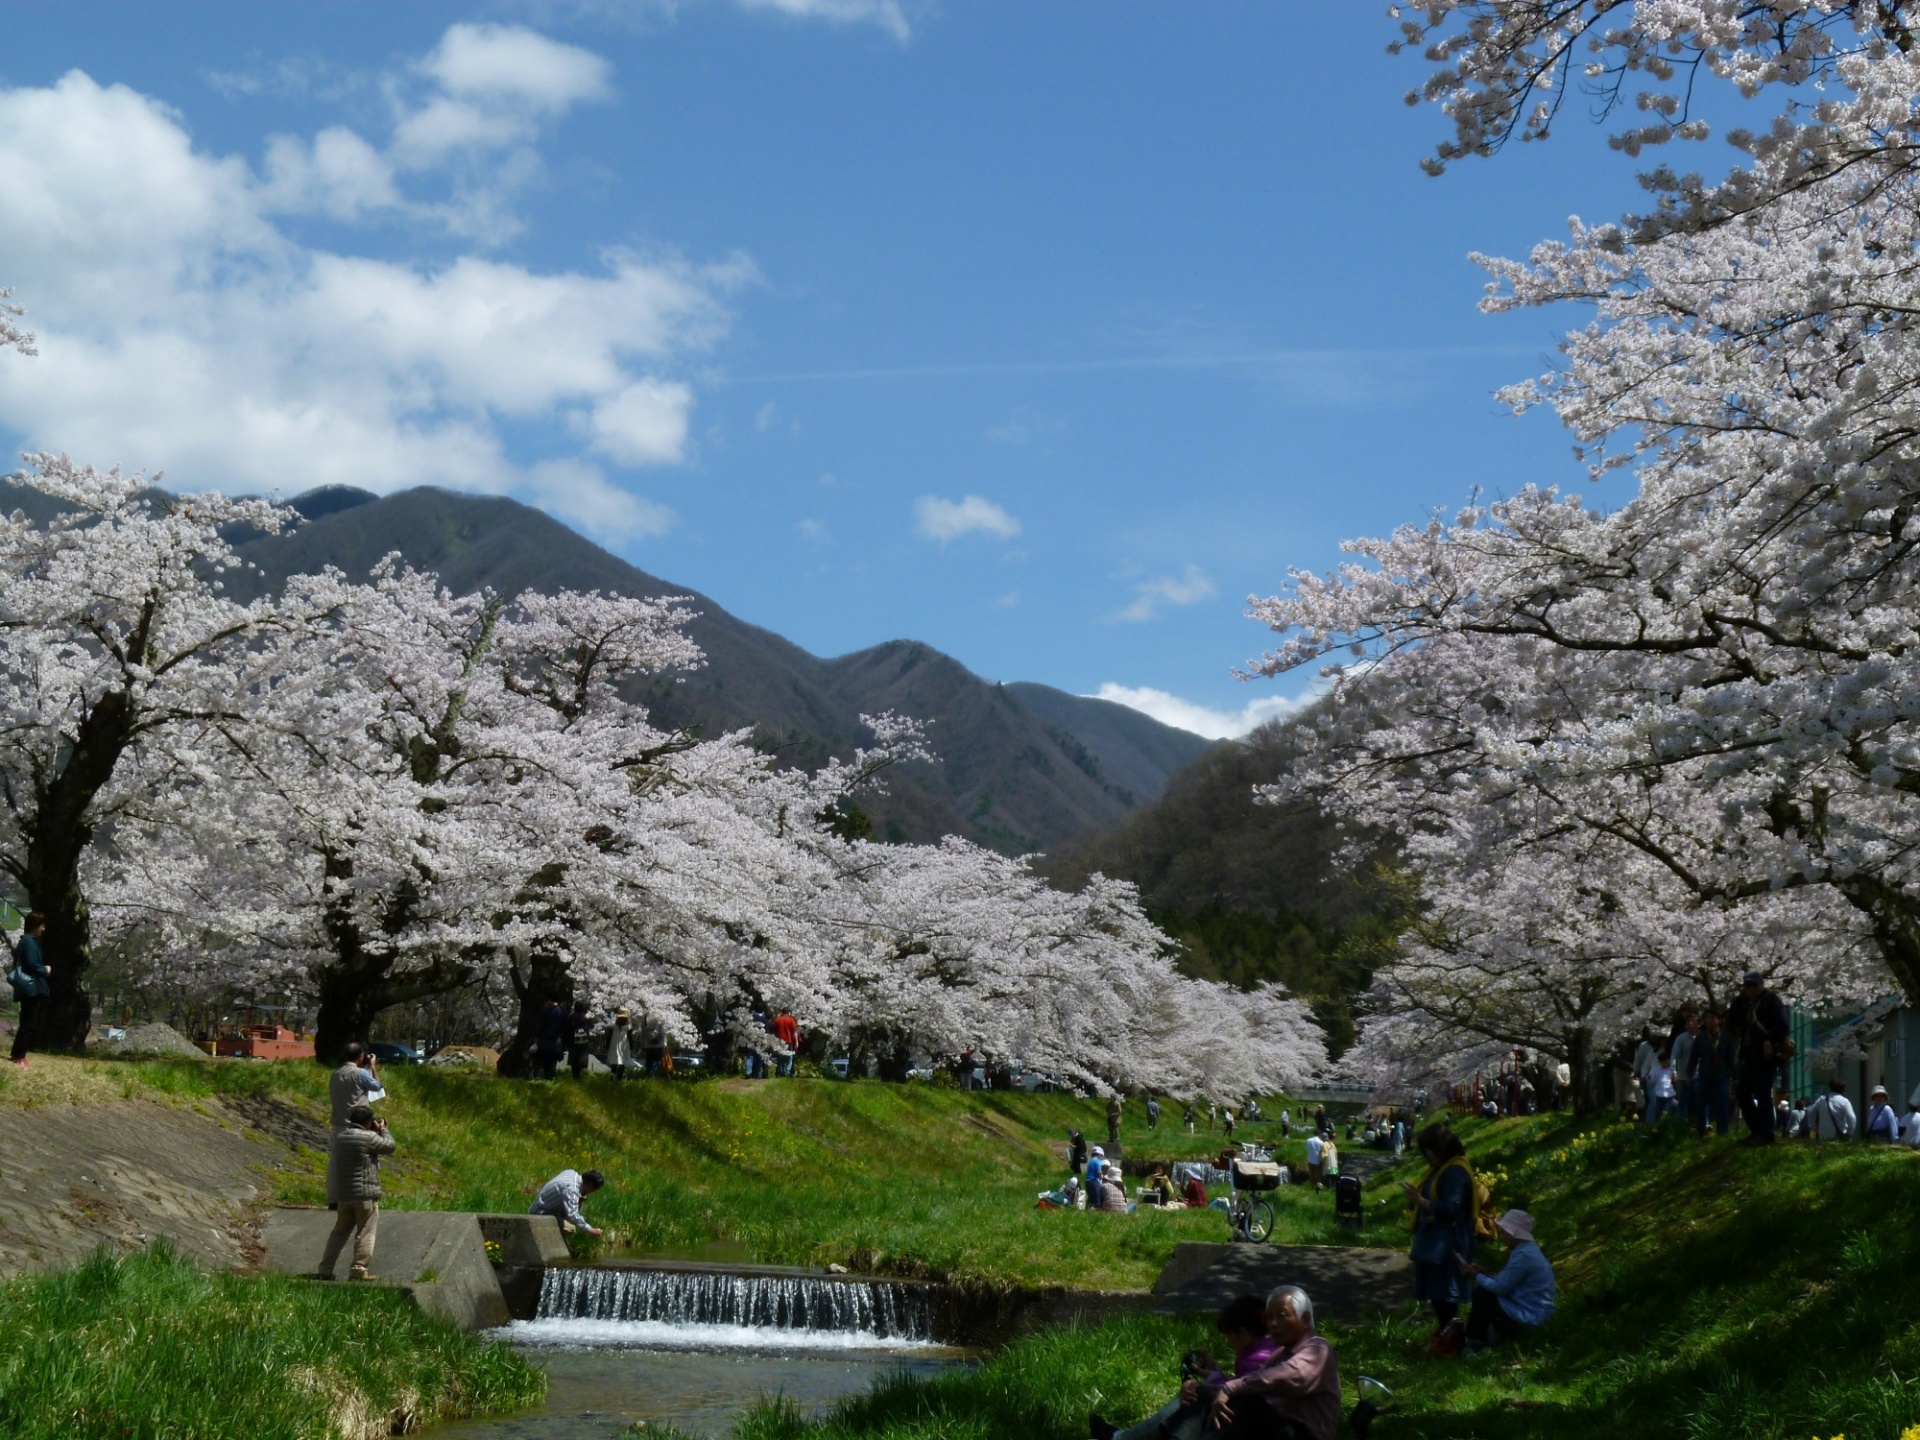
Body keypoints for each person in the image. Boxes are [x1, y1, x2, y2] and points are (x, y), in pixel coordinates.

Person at [1091, 1292, 1280, 1440]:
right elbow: (1239, 1386)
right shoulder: (1265, 1350)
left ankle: (1121, 1438)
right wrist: (1211, 1372)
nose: (1228, 1343)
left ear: (1244, 1333)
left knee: (1193, 1396)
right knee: (1197, 1393)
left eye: (1230, 1336)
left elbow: (1240, 1397)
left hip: (1254, 1428)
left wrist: (1206, 1384)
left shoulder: (1258, 1360)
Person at [1207, 1285, 1341, 1440]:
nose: (1273, 1324)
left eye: (1281, 1316)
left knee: (1247, 1404)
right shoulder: (1280, 1354)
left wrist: (1230, 1387)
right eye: (1269, 1318)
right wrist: (1207, 1387)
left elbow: (1289, 1375)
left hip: (1305, 1434)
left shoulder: (1318, 1349)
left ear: (1304, 1319)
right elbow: (1255, 1380)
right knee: (1206, 1396)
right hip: (1281, 1429)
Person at [1404, 1123, 1477, 1354]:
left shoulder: (1455, 1171)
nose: (1429, 1157)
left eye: (1430, 1152)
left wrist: (1421, 1202)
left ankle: (1451, 1339)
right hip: (1435, 1240)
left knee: (1445, 1292)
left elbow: (1451, 1207)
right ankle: (1447, 1334)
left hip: (1448, 1242)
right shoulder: (1442, 1167)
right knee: (1437, 1292)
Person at [1458, 1209, 1556, 1353]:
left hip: (1530, 1314)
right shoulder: (1526, 1251)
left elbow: (1500, 1288)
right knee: (1486, 1292)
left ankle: (1476, 1343)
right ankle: (1477, 1338)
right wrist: (1484, 1274)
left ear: (1514, 1235)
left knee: (1483, 1294)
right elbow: (1507, 1283)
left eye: (1505, 1233)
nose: (1503, 1237)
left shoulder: (1524, 1256)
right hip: (1530, 1308)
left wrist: (1476, 1275)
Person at [317, 1104, 395, 1281]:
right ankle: (359, 1269)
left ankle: (325, 1268)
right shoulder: (368, 1137)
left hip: (345, 1194)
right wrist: (383, 1130)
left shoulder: (341, 1138)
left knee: (339, 1232)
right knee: (366, 1232)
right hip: (365, 1194)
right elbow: (389, 1147)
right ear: (368, 1121)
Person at [1726, 971, 1791, 1144]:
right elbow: (1733, 1019)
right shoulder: (1748, 1004)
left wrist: (1769, 1040)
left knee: (1762, 1093)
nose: (1751, 988)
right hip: (1749, 1054)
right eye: (1747, 985)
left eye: (1754, 985)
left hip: (1765, 1054)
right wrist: (1739, 999)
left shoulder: (1771, 1000)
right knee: (1743, 1093)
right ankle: (1757, 1130)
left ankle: (1767, 1134)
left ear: (1761, 984)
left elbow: (1783, 1025)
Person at [7, 911, 49, 1067]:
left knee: (27, 1021)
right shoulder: (29, 943)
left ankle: (18, 1054)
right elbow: (31, 965)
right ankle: (19, 1056)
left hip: (27, 988)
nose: (43, 929)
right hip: (31, 988)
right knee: (29, 1022)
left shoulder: (25, 941)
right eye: (42, 925)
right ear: (35, 926)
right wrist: (45, 969)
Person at [1691, 1009, 1735, 1137]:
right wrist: (1690, 1073)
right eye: (1707, 1018)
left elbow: (1732, 1058)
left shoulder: (1727, 1038)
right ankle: (1700, 1129)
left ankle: (1723, 1131)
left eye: (1712, 1018)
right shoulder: (1701, 1037)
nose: (1709, 1020)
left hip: (1722, 1075)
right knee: (1701, 1103)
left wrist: (1735, 1075)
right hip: (1705, 1074)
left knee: (1722, 1103)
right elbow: (1694, 1057)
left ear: (1719, 1020)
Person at [532, 1167, 606, 1236]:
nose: (591, 1192)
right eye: (593, 1190)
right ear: (590, 1185)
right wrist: (590, 1229)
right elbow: (572, 1215)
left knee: (568, 1222)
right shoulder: (572, 1190)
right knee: (570, 1228)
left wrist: (578, 1200)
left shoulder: (571, 1173)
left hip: (541, 1206)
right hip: (541, 1213)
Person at [1803, 1077, 1856, 1142]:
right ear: (1843, 1089)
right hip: (1840, 1135)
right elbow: (1852, 1118)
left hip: (1823, 1135)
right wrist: (1849, 1132)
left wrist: (1815, 1128)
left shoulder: (1822, 1099)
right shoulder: (1845, 1101)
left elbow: (1810, 1113)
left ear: (1830, 1087)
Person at [1670, 1016, 1699, 1130]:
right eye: (1688, 1021)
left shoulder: (1702, 1038)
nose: (1691, 1023)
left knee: (1700, 1101)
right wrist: (1673, 1072)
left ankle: (1701, 1124)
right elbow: (1674, 1056)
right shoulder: (1681, 1038)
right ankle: (1681, 1126)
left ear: (1698, 1024)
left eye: (1693, 1021)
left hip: (1698, 1075)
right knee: (1682, 1102)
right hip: (1682, 1076)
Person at [534, 999, 566, 1081]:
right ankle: (551, 1077)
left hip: (545, 1038)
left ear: (549, 1000)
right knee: (553, 1060)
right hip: (556, 1039)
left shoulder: (545, 1010)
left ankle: (546, 1076)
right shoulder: (562, 1011)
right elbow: (565, 1026)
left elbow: (540, 1025)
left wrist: (537, 1037)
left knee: (546, 1059)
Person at [1644, 1052, 1679, 1126]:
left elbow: (1676, 1081)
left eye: (1664, 1061)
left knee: (1666, 1114)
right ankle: (1656, 1127)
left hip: (1669, 1095)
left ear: (1668, 1061)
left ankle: (1666, 1127)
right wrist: (1649, 1078)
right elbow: (1651, 1078)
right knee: (1657, 1114)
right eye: (1661, 1062)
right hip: (1659, 1095)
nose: (1663, 1063)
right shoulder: (1657, 1070)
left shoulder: (1672, 1070)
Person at [565, 1001, 593, 1080]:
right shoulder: (586, 1017)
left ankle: (574, 1076)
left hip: (572, 1040)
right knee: (581, 1059)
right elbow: (591, 1026)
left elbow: (567, 1029)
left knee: (573, 1059)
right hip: (583, 1041)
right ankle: (578, 1076)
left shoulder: (571, 1017)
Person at [604, 1008, 633, 1080]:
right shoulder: (628, 1026)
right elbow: (630, 1037)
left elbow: (609, 1036)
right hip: (624, 1044)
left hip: (614, 1044)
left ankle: (612, 1074)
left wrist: (607, 1045)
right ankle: (619, 1078)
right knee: (622, 1062)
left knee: (614, 1060)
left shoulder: (613, 1025)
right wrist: (632, 1046)